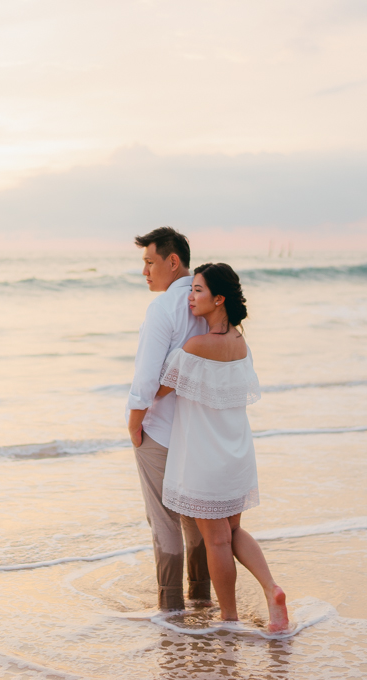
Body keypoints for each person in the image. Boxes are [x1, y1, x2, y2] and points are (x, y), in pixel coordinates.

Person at [155, 262, 289, 632]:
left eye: (198, 290)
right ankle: (270, 588)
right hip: (237, 454)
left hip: (206, 457)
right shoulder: (240, 344)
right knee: (231, 534)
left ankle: (228, 619)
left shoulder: (197, 345)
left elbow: (159, 389)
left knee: (216, 542)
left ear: (219, 298)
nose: (190, 297)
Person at [127, 227, 212, 611]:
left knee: (163, 521)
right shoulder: (206, 304)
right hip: (198, 429)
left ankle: (171, 609)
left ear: (172, 261)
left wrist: (134, 425)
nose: (144, 271)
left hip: (160, 430)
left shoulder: (162, 309)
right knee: (195, 519)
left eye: (149, 262)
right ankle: (200, 597)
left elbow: (147, 378)